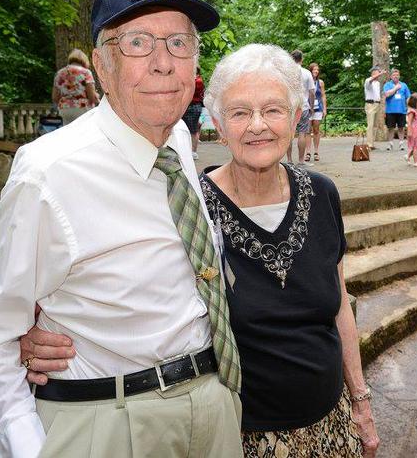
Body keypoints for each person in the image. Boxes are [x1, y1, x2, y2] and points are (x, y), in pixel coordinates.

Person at [22, 44, 381, 458]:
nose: (257, 126)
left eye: (274, 110)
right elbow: (101, 276)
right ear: (217, 124)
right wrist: (28, 336)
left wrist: (361, 400)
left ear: (297, 117)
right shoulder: (191, 203)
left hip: (331, 423)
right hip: (235, 435)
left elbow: (339, 308)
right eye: (240, 112)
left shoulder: (322, 193)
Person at [0, 0, 243, 458]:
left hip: (214, 405)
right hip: (110, 422)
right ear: (100, 64)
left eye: (179, 41)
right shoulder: (48, 172)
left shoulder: (175, 139)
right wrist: (30, 448)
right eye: (137, 42)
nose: (163, 62)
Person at [52, 48, 100, 125]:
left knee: (69, 133)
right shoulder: (86, 72)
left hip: (65, 109)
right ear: (84, 60)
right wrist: (96, 96)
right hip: (82, 108)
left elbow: (55, 97)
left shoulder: (60, 73)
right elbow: (91, 96)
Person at [285, 49, 316, 163]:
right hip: (303, 106)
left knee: (289, 133)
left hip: (289, 107)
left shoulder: (286, 73)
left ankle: (289, 160)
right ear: (301, 59)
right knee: (302, 133)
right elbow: (312, 92)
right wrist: (311, 107)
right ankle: (301, 160)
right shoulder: (307, 73)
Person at [383, 69, 410, 151]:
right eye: (394, 75)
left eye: (397, 75)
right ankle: (390, 144)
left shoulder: (404, 85)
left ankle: (401, 144)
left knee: (401, 128)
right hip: (390, 111)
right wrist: (396, 88)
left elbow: (408, 97)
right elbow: (387, 94)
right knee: (390, 128)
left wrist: (410, 107)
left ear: (399, 76)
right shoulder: (387, 85)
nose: (396, 76)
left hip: (402, 110)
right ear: (391, 76)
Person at [182, 66, 205, 159]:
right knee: (185, 129)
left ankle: (193, 151)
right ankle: (186, 150)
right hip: (187, 106)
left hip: (194, 106)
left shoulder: (198, 81)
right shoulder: (192, 79)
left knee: (193, 130)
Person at [308, 62, 327, 161]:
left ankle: (316, 151)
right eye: (314, 69)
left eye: (317, 70)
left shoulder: (320, 82)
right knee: (307, 131)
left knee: (316, 130)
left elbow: (323, 96)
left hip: (318, 108)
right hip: (308, 107)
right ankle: (307, 152)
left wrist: (325, 108)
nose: (316, 71)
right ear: (310, 70)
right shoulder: (307, 80)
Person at [362, 66, 385, 149]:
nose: (379, 74)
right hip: (370, 104)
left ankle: (372, 144)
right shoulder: (368, 80)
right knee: (370, 125)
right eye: (377, 72)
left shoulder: (378, 83)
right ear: (373, 73)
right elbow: (371, 80)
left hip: (377, 104)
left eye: (379, 72)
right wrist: (380, 73)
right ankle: (368, 144)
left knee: (375, 125)